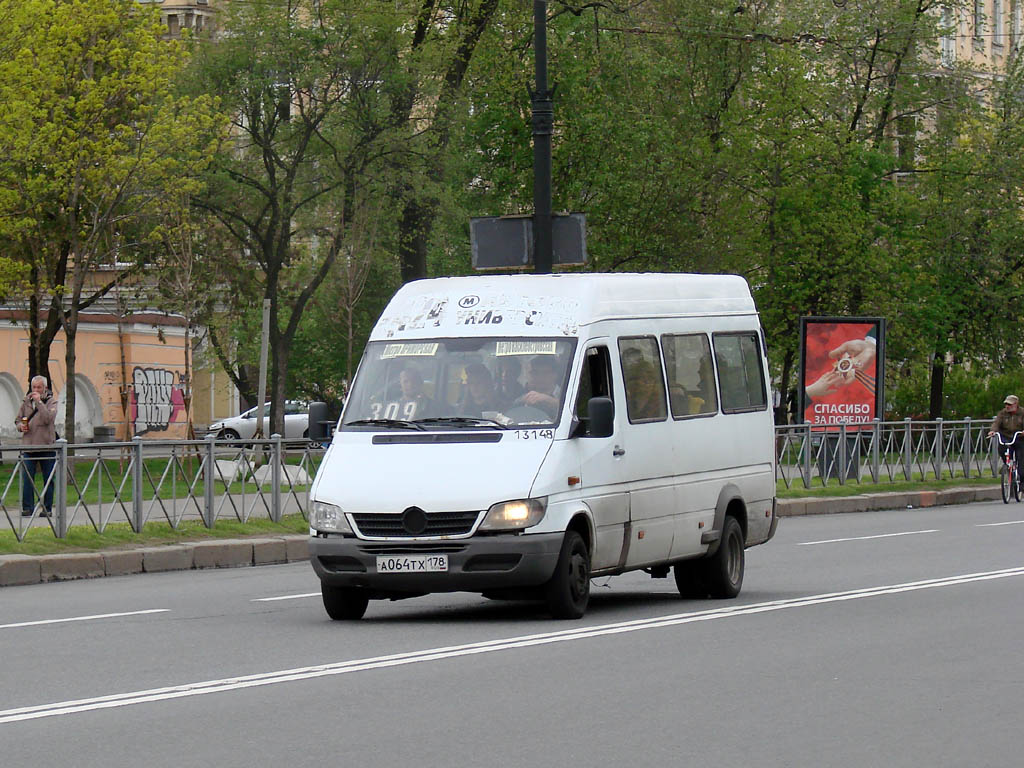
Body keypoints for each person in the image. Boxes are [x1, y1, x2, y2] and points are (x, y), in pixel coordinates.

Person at [16, 375, 58, 517]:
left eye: (39, 387)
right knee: (27, 478)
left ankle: (47, 508)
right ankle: (28, 507)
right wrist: (20, 426)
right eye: (34, 387)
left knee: (48, 479)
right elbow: (17, 419)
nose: (36, 390)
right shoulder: (26, 402)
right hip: (29, 446)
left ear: (44, 388)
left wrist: (39, 402)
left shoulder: (51, 402)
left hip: (46, 446)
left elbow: (48, 419)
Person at [988, 395, 1024, 464]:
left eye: (1009, 404)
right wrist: (993, 430)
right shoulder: (1002, 413)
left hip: (1019, 437)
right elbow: (997, 422)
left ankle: (1020, 470)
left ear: (1016, 404)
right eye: (1006, 404)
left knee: (1021, 459)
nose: (1007, 406)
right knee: (1002, 450)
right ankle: (1008, 465)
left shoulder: (1022, 412)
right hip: (1006, 437)